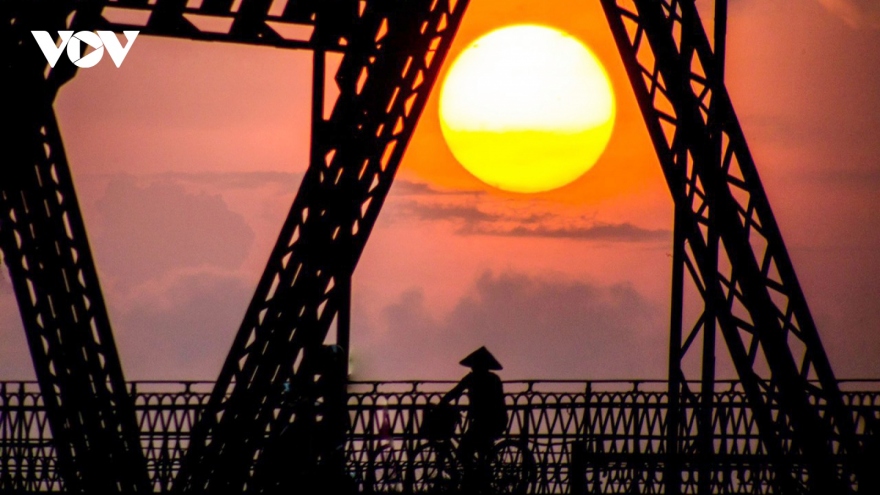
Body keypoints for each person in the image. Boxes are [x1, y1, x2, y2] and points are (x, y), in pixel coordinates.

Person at [439, 347, 508, 479]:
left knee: (463, 452)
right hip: (498, 420)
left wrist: (442, 403)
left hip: (484, 421)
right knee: (481, 451)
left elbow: (455, 392)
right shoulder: (494, 378)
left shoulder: (472, 378)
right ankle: (480, 477)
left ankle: (471, 478)